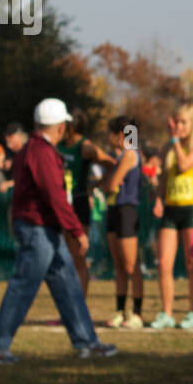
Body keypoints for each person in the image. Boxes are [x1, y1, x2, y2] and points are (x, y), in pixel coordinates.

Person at [0, 99, 117, 362]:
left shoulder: (31, 149)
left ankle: (87, 341)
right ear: (61, 126)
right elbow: (55, 195)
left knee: (69, 286)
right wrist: (77, 230)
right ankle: (0, 344)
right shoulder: (42, 152)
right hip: (39, 229)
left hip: (42, 228)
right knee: (24, 286)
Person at [150, 101, 193, 330]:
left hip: (191, 209)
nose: (179, 126)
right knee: (164, 263)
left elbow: (184, 165)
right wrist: (158, 199)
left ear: (192, 123)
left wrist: (175, 142)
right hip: (171, 210)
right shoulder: (168, 147)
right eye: (176, 121)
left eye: (183, 122)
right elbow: (166, 174)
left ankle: (192, 313)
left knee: (192, 262)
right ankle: (166, 312)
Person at [58, 108, 116, 297]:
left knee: (78, 258)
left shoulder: (85, 147)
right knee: (64, 258)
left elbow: (112, 164)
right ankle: (69, 305)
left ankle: (79, 305)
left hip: (78, 203)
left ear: (72, 127)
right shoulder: (59, 144)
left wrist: (96, 184)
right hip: (61, 204)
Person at [102, 115, 144, 329]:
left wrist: (105, 181)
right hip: (114, 210)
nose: (107, 137)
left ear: (120, 134)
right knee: (119, 265)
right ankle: (120, 310)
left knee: (131, 265)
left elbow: (112, 184)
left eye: (110, 132)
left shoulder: (130, 154)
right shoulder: (120, 156)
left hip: (127, 211)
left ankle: (136, 313)